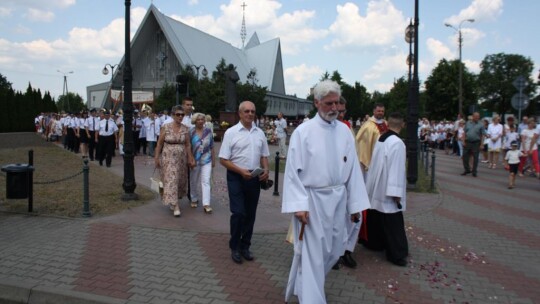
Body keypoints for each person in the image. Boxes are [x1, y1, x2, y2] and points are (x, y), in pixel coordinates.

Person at [282, 80, 370, 303]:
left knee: (333, 250)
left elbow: (352, 171)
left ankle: (303, 284)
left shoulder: (344, 131)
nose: (334, 108)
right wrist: (299, 205)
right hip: (312, 201)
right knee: (313, 255)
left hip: (338, 199)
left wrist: (355, 205)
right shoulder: (303, 132)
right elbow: (293, 172)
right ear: (316, 102)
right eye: (329, 103)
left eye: (336, 103)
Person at [219, 101, 270, 264]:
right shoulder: (231, 133)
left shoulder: (259, 133)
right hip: (236, 176)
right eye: (246, 111)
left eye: (252, 111)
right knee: (239, 213)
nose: (250, 114)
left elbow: (264, 155)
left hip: (254, 177)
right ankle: (234, 247)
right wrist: (240, 171)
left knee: (250, 214)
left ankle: (245, 246)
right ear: (240, 113)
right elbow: (223, 159)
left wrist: (266, 170)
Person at [364, 112, 409, 267]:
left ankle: (374, 243)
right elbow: (396, 169)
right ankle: (396, 254)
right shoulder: (397, 143)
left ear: (388, 124)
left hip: (377, 184)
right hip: (388, 187)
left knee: (376, 215)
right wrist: (396, 193)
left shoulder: (382, 138)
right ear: (402, 125)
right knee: (392, 221)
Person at [355, 103, 387, 246]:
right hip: (370, 166)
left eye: (382, 111)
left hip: (383, 165)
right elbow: (361, 144)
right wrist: (368, 163)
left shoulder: (385, 124)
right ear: (374, 111)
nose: (380, 112)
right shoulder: (368, 126)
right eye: (378, 110)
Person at [154, 105, 195, 217]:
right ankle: (176, 205)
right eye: (178, 114)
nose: (180, 117)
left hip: (181, 158)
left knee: (179, 180)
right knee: (172, 178)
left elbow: (187, 144)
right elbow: (159, 143)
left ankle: (173, 200)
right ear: (173, 115)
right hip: (168, 157)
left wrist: (190, 157)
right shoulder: (166, 127)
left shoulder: (185, 128)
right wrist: (157, 157)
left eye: (182, 115)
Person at [189, 113, 215, 214]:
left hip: (206, 160)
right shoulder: (190, 131)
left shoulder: (208, 131)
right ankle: (194, 199)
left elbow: (212, 146)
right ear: (195, 121)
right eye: (198, 119)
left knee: (206, 181)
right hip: (194, 160)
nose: (200, 121)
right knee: (194, 180)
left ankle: (206, 204)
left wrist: (213, 159)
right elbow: (188, 146)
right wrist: (190, 158)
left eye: (202, 120)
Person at [461, 112, 485, 177]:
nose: (477, 118)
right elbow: (464, 133)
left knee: (475, 157)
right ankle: (467, 169)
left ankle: (474, 171)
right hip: (467, 142)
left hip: (476, 143)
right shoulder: (468, 123)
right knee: (465, 156)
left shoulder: (481, 124)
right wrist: (463, 141)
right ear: (473, 117)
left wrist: (482, 144)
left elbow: (482, 135)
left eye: (478, 116)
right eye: (476, 116)